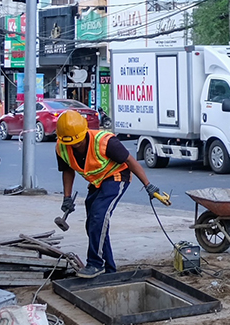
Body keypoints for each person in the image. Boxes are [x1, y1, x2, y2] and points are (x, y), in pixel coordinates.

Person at [56, 110, 170, 278]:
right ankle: (109, 269)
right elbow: (67, 171)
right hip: (97, 182)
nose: (74, 146)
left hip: (117, 176)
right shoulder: (62, 148)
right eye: (69, 144)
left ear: (84, 133)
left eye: (77, 143)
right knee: (94, 224)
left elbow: (130, 161)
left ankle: (95, 263)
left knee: (99, 217)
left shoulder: (105, 142)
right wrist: (67, 197)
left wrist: (148, 186)